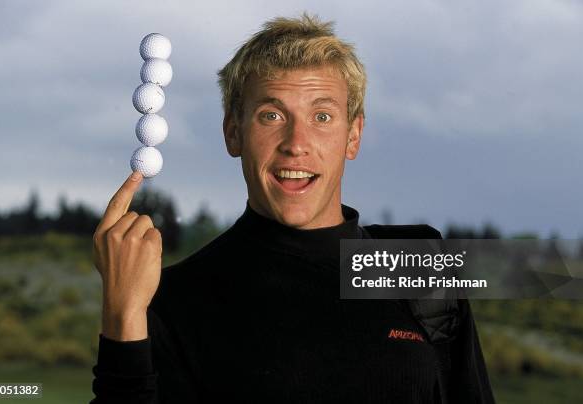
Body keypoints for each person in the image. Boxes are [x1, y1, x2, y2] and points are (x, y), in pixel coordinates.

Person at [90, 13, 494, 403]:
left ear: (353, 136)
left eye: (322, 116)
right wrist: (122, 315)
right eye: (271, 115)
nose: (296, 142)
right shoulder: (174, 300)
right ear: (234, 133)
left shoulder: (418, 265)